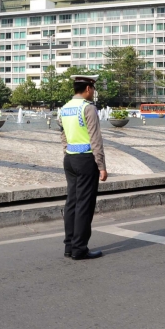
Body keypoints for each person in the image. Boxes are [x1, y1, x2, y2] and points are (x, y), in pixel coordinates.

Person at [60, 75, 108, 260]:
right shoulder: (88, 108)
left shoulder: (64, 108)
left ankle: (69, 245)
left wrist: (67, 152)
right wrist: (101, 165)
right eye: (93, 89)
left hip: (70, 159)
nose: (93, 92)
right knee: (84, 204)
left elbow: (63, 136)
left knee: (71, 201)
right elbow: (95, 139)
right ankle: (80, 248)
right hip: (86, 159)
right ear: (88, 89)